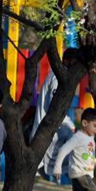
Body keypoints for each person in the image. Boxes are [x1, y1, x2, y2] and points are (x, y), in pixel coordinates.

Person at [32, 48, 80, 178]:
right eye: (75, 62)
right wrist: (70, 125)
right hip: (48, 129)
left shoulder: (62, 77)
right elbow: (54, 106)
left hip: (52, 128)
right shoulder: (57, 77)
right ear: (66, 61)